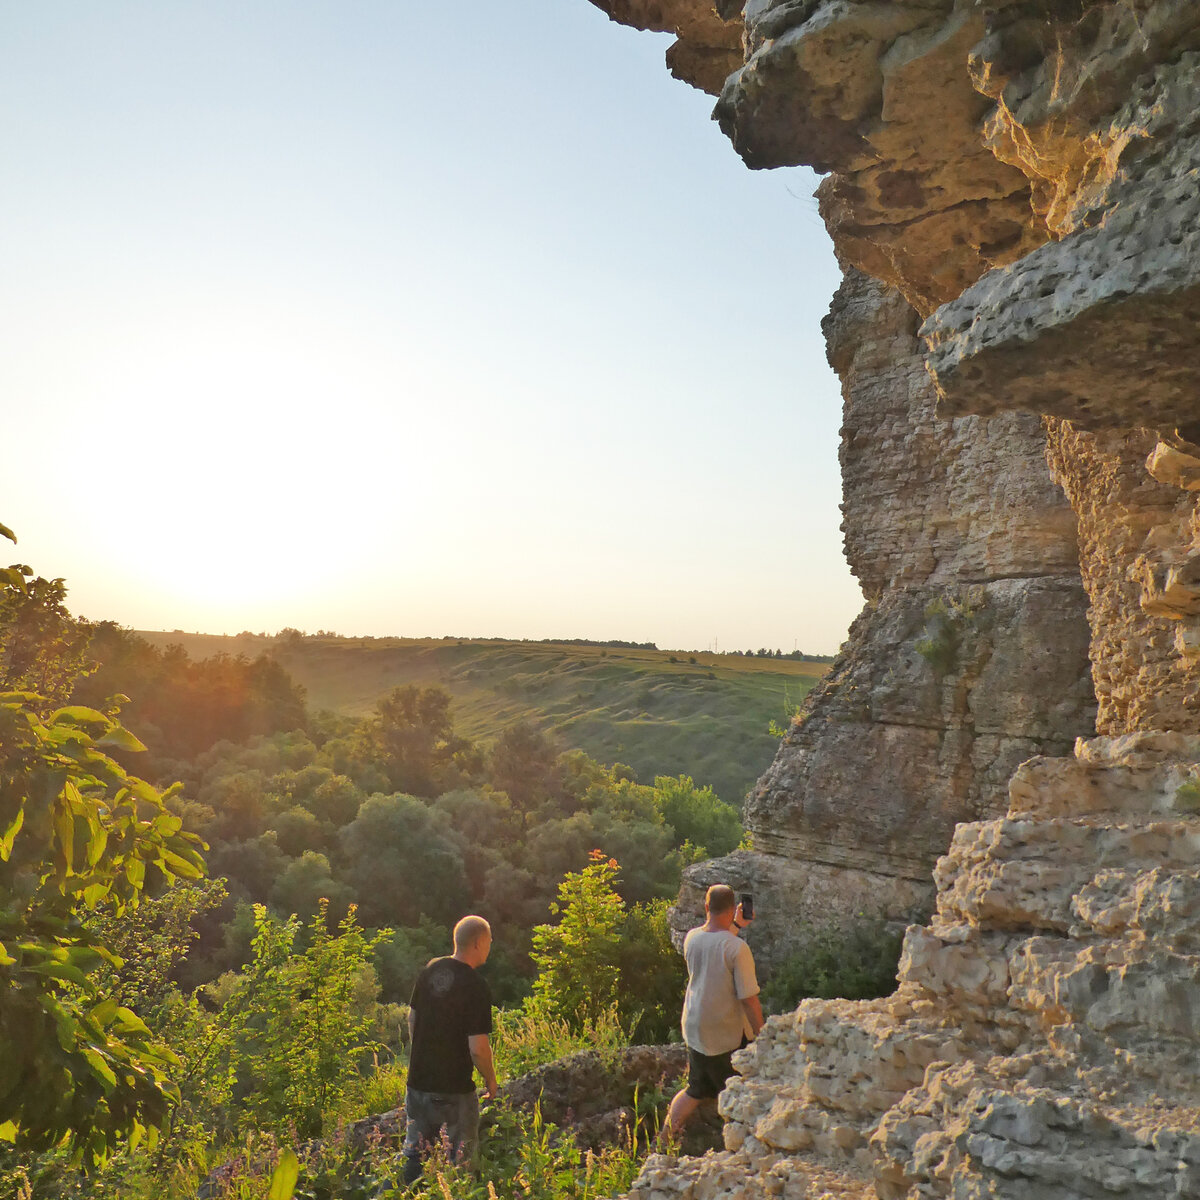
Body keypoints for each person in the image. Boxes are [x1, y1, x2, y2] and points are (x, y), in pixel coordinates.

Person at [659, 884, 763, 1144]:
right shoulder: (737, 949)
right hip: (724, 1034)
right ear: (732, 909)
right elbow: (749, 1000)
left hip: (695, 1028)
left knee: (695, 1089)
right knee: (741, 1092)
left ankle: (663, 1140)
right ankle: (742, 1146)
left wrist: (735, 926)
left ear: (706, 907)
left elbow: (715, 943)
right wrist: (764, 1038)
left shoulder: (691, 937)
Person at [402, 914, 498, 1185]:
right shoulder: (476, 986)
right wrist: (490, 1080)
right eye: (490, 940)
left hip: (418, 1085)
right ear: (479, 943)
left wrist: (423, 1057)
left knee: (414, 1162)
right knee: (461, 1168)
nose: (491, 946)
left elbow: (412, 1019)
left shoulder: (429, 970)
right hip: (454, 1093)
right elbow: (478, 1048)